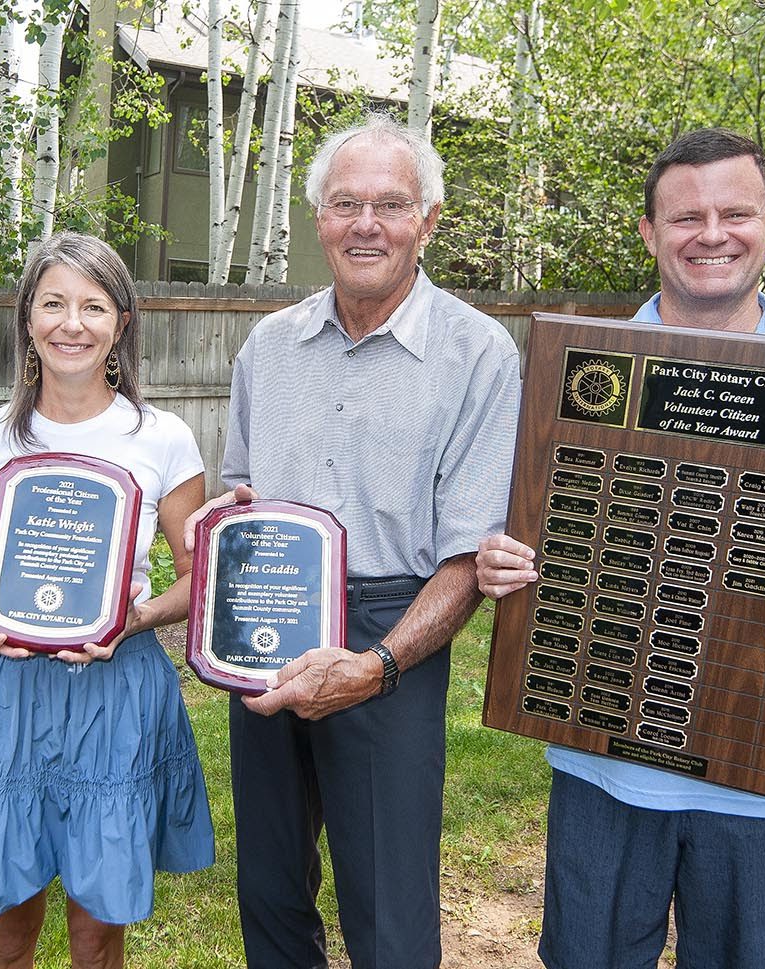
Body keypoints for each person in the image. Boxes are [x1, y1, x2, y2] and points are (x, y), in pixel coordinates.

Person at [476, 128, 765, 969]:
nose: (710, 233)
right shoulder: (580, 375)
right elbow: (524, 521)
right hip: (603, 766)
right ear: (649, 233)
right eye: (686, 216)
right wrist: (503, 559)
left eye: (735, 213)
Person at [184, 113, 521, 969]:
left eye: (390, 204)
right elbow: (245, 494)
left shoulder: (478, 354)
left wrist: (379, 666)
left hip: (394, 621)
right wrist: (222, 528)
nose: (365, 223)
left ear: (428, 221)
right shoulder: (269, 345)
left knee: (388, 912)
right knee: (268, 889)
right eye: (345, 203)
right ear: (319, 219)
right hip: (271, 613)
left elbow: (467, 557)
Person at [0, 230, 214, 969]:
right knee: (6, 929)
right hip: (3, 693)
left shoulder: (163, 438)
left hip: (116, 689)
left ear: (121, 323)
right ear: (27, 320)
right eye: (52, 303)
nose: (71, 323)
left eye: (92, 306)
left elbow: (197, 579)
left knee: (97, 930)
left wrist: (136, 615)